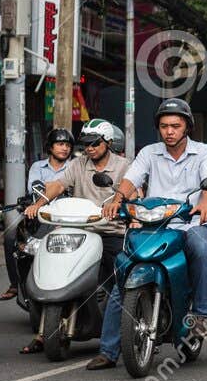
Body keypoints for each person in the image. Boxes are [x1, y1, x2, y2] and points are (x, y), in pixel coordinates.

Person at [85, 99, 207, 370]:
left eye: (175, 126)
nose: (169, 131)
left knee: (201, 246)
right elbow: (132, 178)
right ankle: (109, 350)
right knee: (124, 269)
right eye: (164, 126)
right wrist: (117, 199)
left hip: (189, 223)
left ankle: (202, 314)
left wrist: (206, 202)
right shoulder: (149, 152)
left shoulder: (203, 152)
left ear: (187, 127)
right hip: (153, 224)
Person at [19, 119, 130, 353]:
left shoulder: (124, 166)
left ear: (108, 143)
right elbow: (58, 186)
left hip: (111, 232)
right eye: (86, 144)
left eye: (94, 143)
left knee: (122, 279)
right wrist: (38, 204)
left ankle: (129, 328)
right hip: (79, 230)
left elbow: (132, 190)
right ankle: (42, 333)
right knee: (44, 263)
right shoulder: (79, 164)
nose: (89, 148)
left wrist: (120, 203)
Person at [0, 128, 73, 302]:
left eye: (68, 145)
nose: (65, 148)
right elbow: (35, 189)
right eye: (60, 144)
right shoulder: (37, 167)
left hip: (66, 217)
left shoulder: (74, 167)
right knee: (11, 238)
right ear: (50, 147)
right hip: (39, 216)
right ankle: (15, 284)